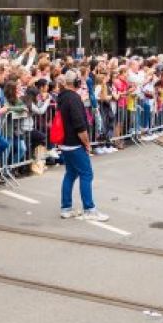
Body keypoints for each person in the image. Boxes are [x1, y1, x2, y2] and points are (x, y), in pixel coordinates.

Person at [55, 71, 107, 222]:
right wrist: (86, 143)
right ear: (76, 83)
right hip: (75, 143)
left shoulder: (62, 97)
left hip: (65, 143)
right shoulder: (74, 99)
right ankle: (89, 209)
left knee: (70, 174)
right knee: (86, 174)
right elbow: (80, 126)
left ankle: (66, 208)